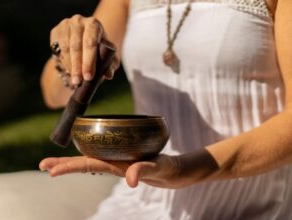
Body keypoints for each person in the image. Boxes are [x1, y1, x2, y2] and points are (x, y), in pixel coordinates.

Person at [39, 0, 292, 219]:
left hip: (256, 206)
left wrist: (182, 170)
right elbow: (53, 95)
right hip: (143, 202)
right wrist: (66, 53)